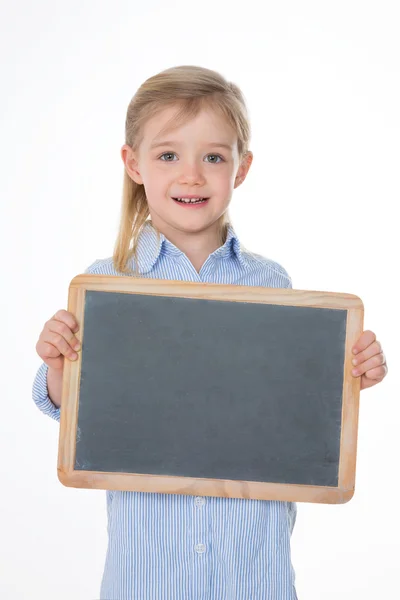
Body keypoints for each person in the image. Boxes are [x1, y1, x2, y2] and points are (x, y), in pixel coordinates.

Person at [32, 65, 388, 600]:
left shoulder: (271, 283)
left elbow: (297, 410)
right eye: (168, 155)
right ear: (133, 164)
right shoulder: (109, 285)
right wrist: (62, 367)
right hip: (148, 574)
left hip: (252, 570)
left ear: (241, 169)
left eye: (214, 158)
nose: (192, 175)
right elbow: (74, 411)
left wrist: (349, 373)